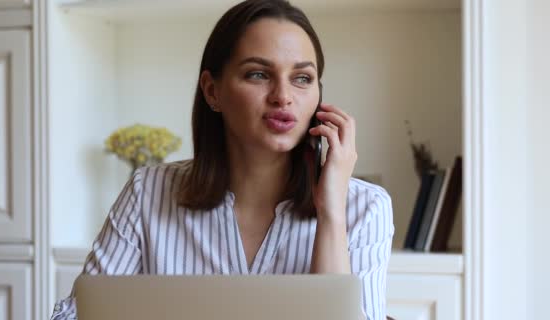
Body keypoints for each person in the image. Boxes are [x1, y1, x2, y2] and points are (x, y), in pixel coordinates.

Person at [51, 0, 394, 319]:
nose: (283, 97)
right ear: (212, 90)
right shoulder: (147, 193)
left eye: (302, 78)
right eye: (258, 74)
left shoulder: (364, 207)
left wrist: (331, 212)